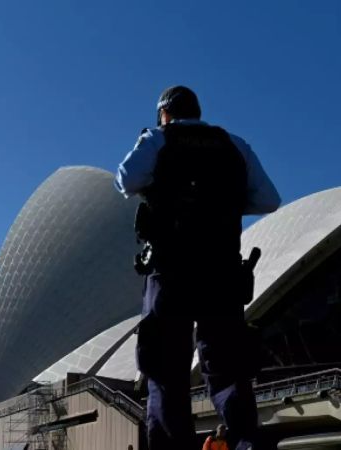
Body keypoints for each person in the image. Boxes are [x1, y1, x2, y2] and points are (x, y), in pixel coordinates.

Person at [115, 86, 280, 450]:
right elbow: (269, 200)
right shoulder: (234, 144)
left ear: (164, 113)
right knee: (228, 370)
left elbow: (125, 180)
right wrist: (224, 204)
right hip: (220, 272)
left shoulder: (159, 138)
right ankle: (245, 443)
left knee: (165, 371)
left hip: (170, 271)